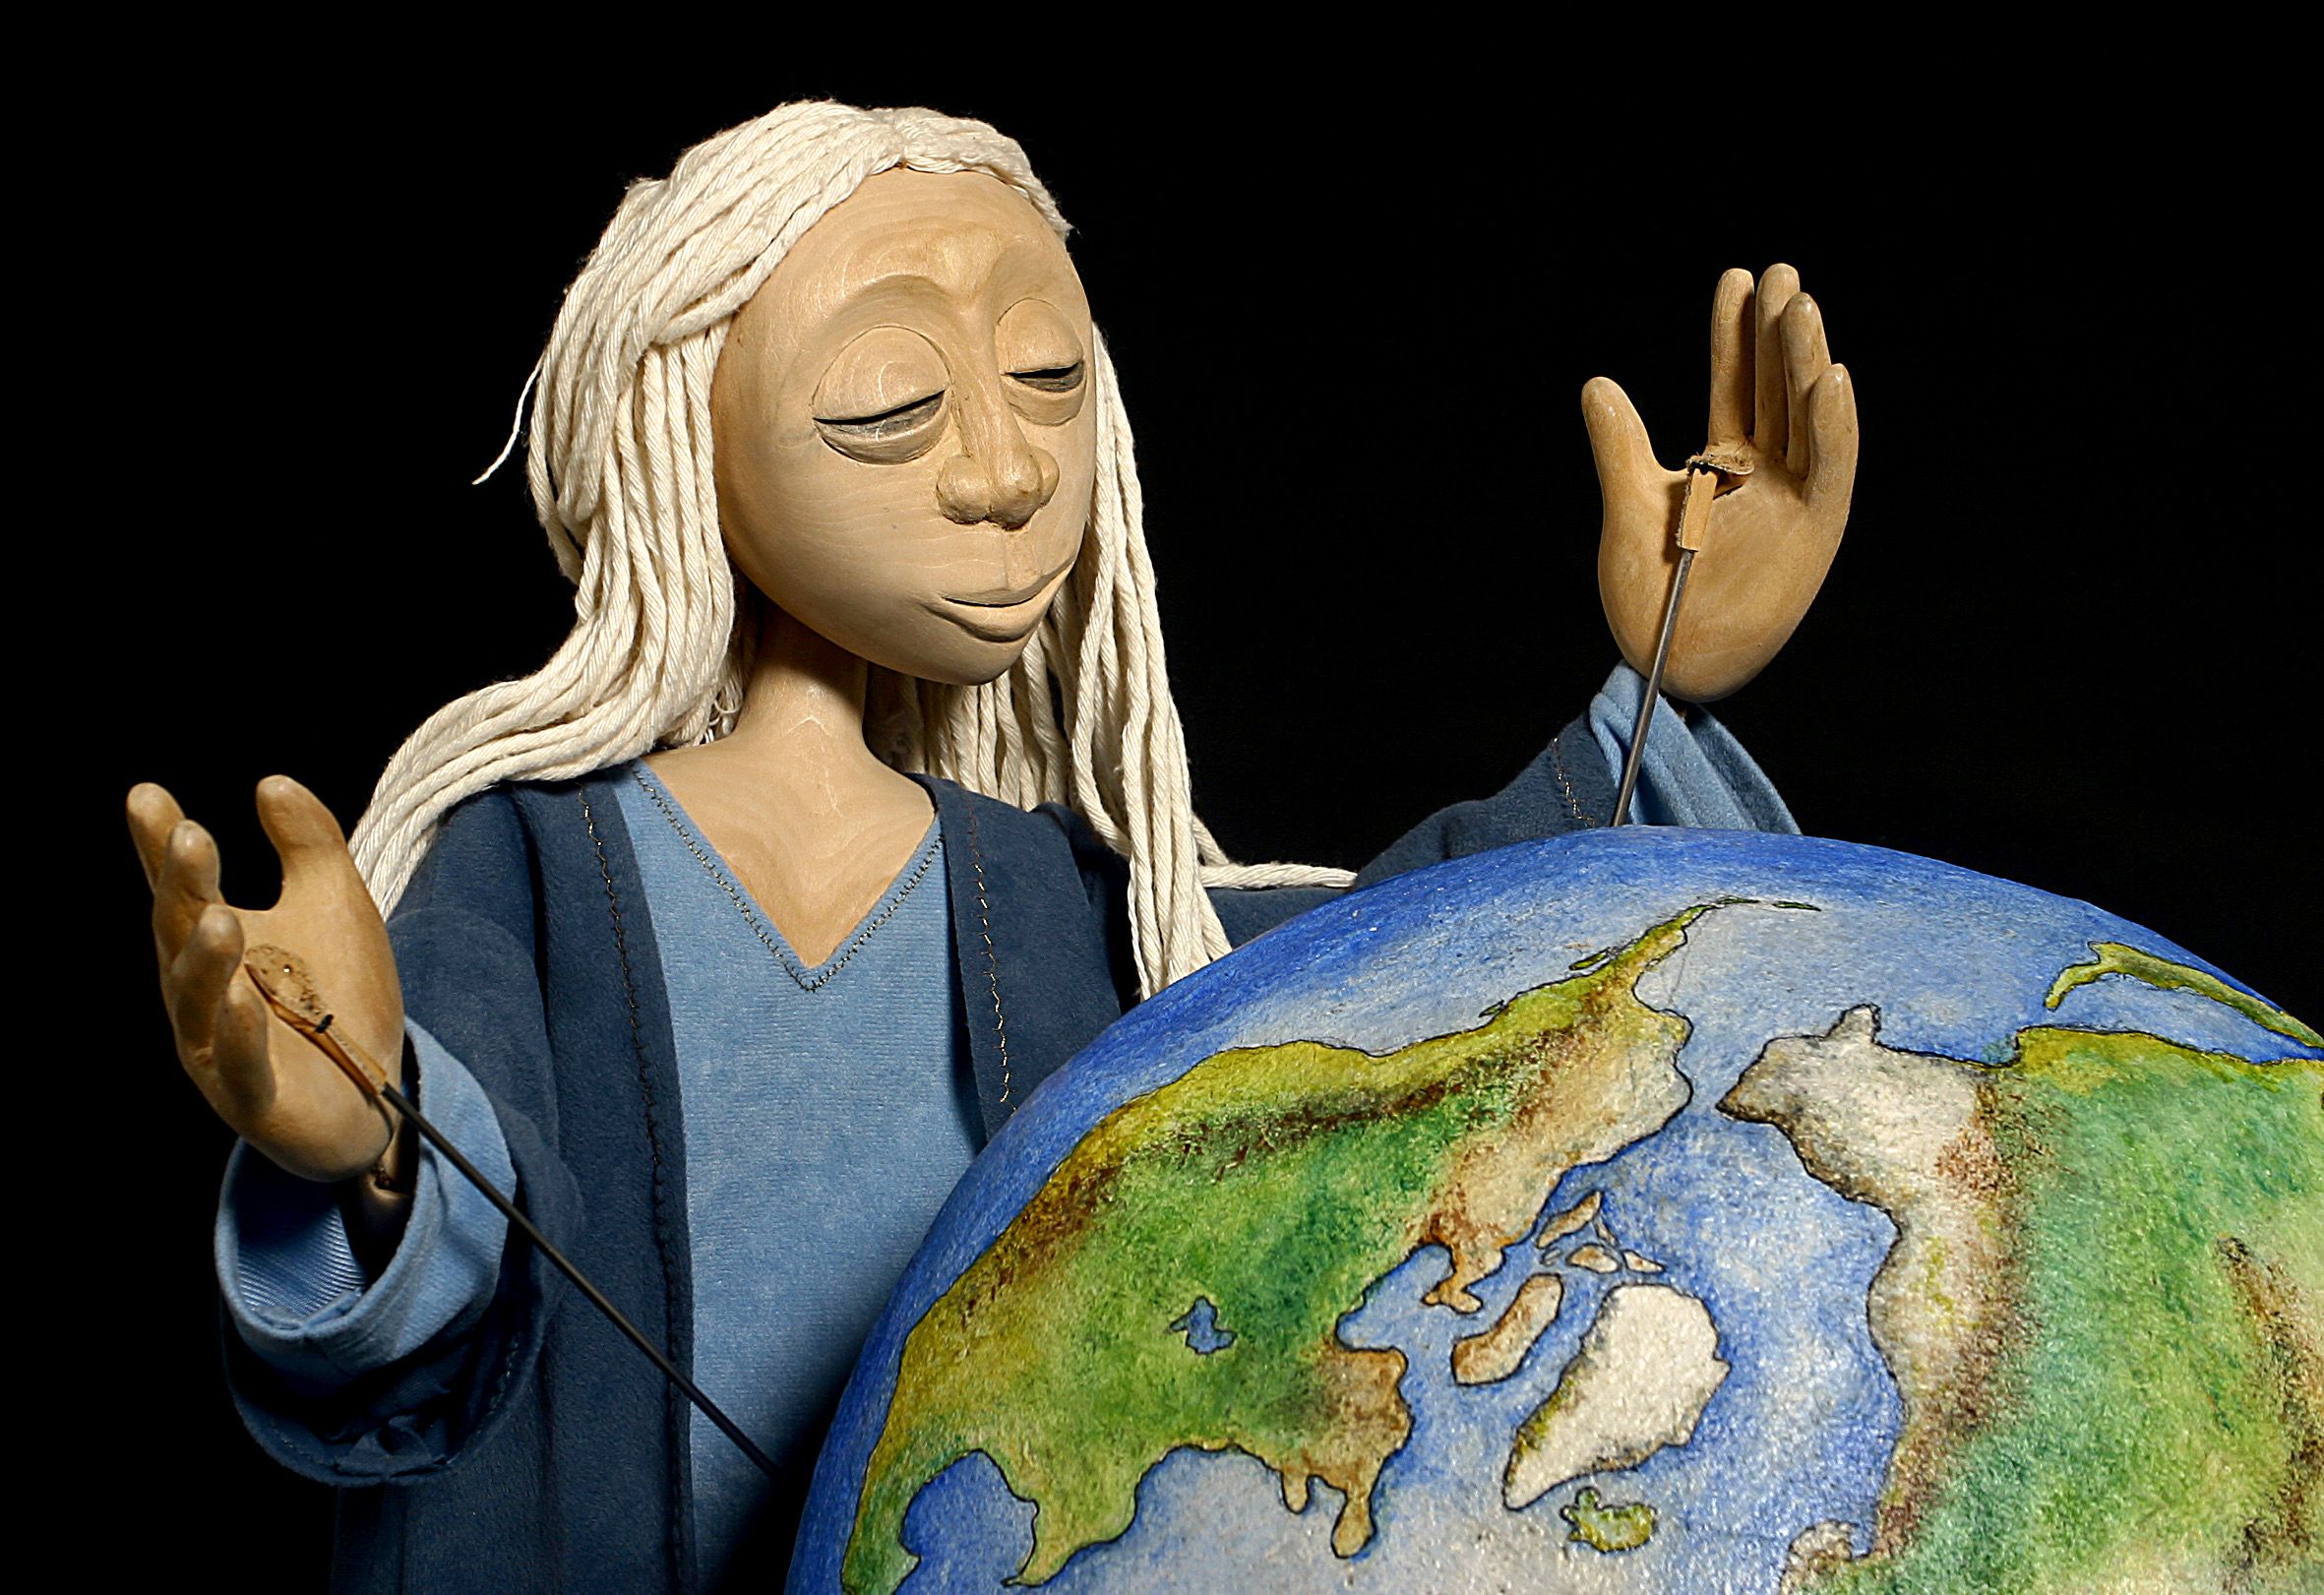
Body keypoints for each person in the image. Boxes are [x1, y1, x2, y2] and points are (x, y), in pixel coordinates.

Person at [127, 101, 1852, 1592]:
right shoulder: (526, 864)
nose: (1005, 471)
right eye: (892, 397)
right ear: (670, 429)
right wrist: (367, 1138)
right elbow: (430, 1290)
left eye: (1047, 380)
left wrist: (1656, 693)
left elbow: (1390, 1000)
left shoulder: (1073, 897)